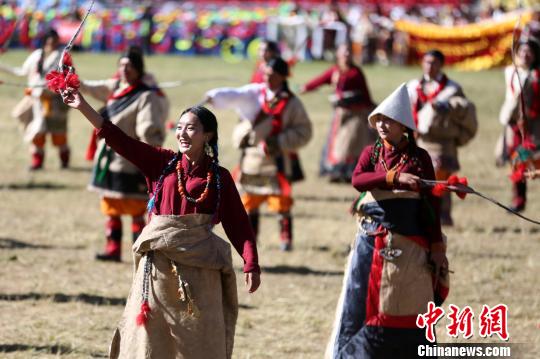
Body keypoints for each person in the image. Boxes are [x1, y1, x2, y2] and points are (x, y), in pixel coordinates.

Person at [61, 85, 261, 357]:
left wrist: (251, 262)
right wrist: (82, 105)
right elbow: (119, 139)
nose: (182, 134)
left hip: (201, 270)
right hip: (158, 271)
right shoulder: (162, 164)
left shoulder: (218, 178)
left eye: (191, 128)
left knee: (197, 341)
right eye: (179, 127)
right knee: (152, 341)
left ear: (208, 135)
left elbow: (238, 223)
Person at [326, 84, 449, 358]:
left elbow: (431, 204)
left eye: (388, 120)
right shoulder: (371, 153)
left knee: (408, 304)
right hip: (371, 243)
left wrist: (437, 247)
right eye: (379, 119)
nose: (382, 125)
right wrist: (394, 178)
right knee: (360, 305)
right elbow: (358, 180)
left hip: (411, 243)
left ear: (403, 125)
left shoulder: (419, 158)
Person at [206, 57, 312, 251]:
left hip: (277, 160)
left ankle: (285, 240)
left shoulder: (292, 103)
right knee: (249, 201)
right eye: (265, 75)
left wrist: (279, 142)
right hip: (251, 160)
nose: (267, 79)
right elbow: (234, 96)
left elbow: (305, 132)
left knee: (281, 202)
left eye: (272, 76)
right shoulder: (255, 95)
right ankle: (252, 239)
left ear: (282, 77)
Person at [80, 48, 168, 261]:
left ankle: (141, 251)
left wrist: (148, 156)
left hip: (130, 160)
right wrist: (70, 77)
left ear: (138, 69)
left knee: (136, 208)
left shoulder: (146, 95)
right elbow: (90, 88)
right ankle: (113, 249)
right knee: (111, 207)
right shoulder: (115, 88)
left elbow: (149, 130)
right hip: (108, 158)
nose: (124, 70)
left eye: (129, 66)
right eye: (121, 65)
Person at [406, 49, 477, 225]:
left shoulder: (452, 88)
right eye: (426, 62)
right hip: (419, 140)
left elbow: (464, 108)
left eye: (434, 63)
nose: (429, 66)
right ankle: (422, 216)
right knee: (420, 180)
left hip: (442, 142)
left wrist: (449, 106)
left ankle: (442, 216)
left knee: (440, 181)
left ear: (441, 65)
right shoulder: (413, 86)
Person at [301, 43, 376, 183]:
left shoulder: (356, 72)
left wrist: (371, 107)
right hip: (340, 114)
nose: (346, 55)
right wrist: (306, 87)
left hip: (355, 114)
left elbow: (365, 93)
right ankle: (334, 172)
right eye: (344, 52)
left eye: (348, 52)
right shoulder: (335, 71)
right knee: (336, 144)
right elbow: (320, 80)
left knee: (350, 143)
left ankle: (349, 173)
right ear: (338, 55)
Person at [0, 29, 70, 170]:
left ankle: (64, 162)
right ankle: (37, 163)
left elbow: (67, 78)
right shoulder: (37, 55)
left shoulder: (63, 57)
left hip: (55, 103)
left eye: (54, 40)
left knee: (58, 134)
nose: (51, 43)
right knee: (37, 133)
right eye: (49, 40)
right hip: (36, 101)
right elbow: (21, 72)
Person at [496, 38, 540, 212]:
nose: (525, 55)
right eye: (521, 51)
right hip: (516, 126)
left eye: (529, 52)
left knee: (535, 162)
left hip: (536, 126)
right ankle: (518, 200)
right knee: (517, 161)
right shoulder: (510, 72)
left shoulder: (537, 75)